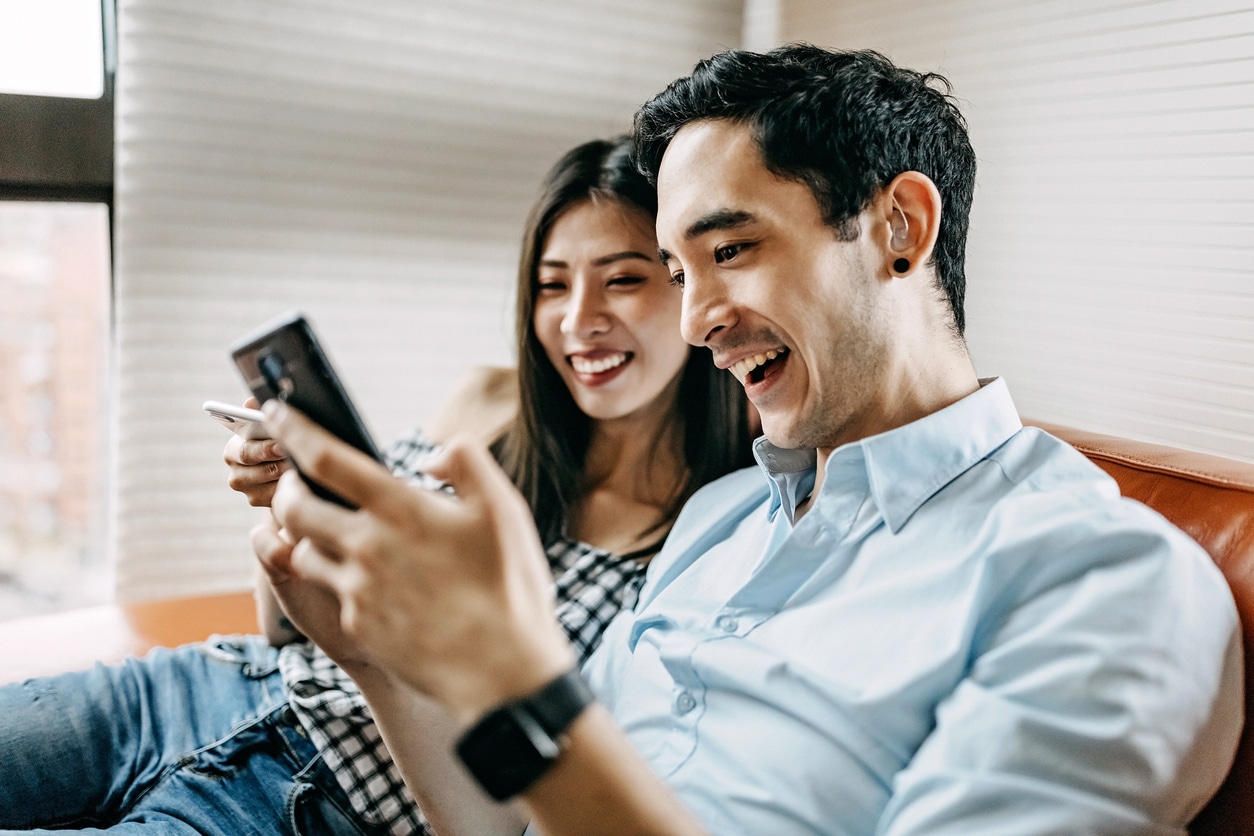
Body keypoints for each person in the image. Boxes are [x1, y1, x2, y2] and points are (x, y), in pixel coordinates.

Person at [256, 45, 1243, 836]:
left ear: (900, 227)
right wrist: (368, 653)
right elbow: (509, 816)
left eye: (731, 250)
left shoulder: (1105, 577)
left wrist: (520, 679)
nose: (693, 323)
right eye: (681, 272)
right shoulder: (718, 514)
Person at [0, 136, 754, 834]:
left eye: (622, 279)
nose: (579, 320)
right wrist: (289, 509)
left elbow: (521, 807)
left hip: (315, 805)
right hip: (205, 687)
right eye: (552, 286)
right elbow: (288, 630)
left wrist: (371, 649)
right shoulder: (484, 405)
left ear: (688, 285)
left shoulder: (711, 530)